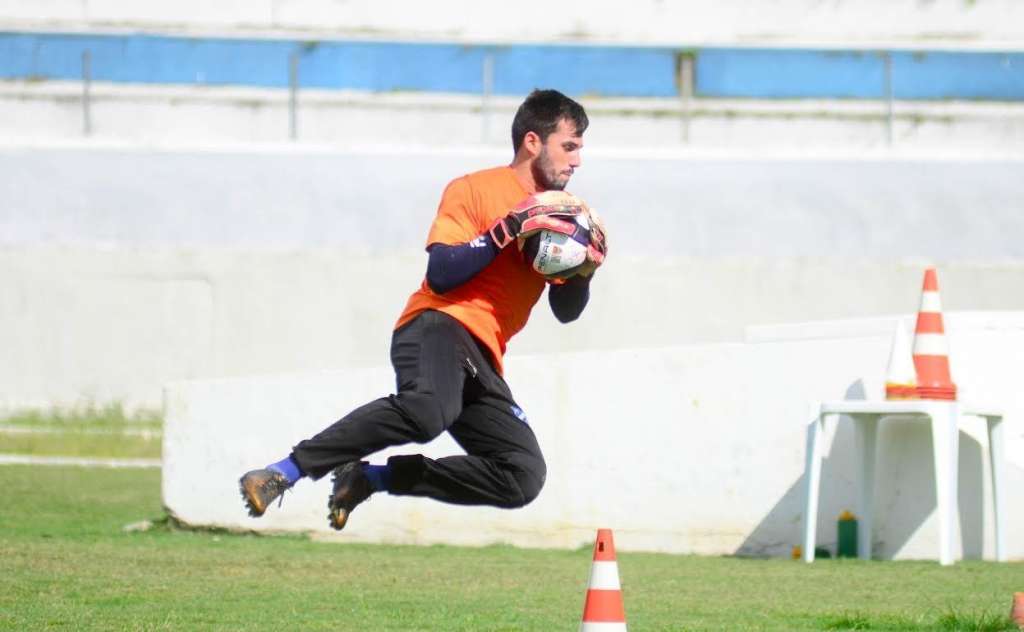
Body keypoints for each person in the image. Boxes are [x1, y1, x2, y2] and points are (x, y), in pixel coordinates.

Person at [238, 89, 606, 530]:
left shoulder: (563, 217)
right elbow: (442, 274)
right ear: (532, 141)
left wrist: (586, 269)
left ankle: (369, 478)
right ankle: (284, 472)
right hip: (438, 325)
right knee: (429, 412)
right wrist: (507, 228)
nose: (577, 160)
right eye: (570, 146)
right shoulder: (475, 188)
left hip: (483, 357)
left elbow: (566, 311)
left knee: (522, 475)